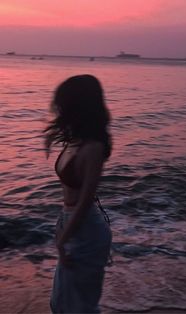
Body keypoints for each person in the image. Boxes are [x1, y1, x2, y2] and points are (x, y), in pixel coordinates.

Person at [44, 75, 112, 313]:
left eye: (63, 102)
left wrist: (62, 241)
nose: (59, 107)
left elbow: (84, 201)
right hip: (69, 220)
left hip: (86, 230)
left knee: (78, 305)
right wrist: (61, 230)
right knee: (61, 302)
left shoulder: (93, 147)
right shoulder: (74, 140)